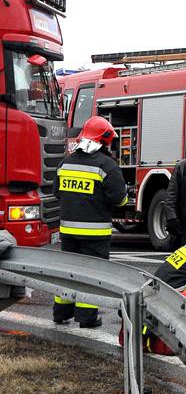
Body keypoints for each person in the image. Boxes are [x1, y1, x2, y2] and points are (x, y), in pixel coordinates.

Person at [52, 116, 128, 328]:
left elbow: (57, 192)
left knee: (67, 273)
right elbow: (119, 199)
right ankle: (86, 318)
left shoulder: (65, 162)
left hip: (67, 231)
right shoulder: (107, 166)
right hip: (95, 234)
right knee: (91, 276)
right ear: (105, 141)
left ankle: (61, 313)